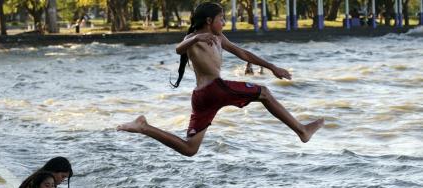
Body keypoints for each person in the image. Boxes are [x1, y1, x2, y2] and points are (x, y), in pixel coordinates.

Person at [117, 2, 324, 157]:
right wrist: (196, 38)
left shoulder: (219, 38)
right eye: (221, 19)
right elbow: (178, 48)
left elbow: (243, 53)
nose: (224, 23)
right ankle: (302, 131)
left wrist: (271, 67)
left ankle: (144, 127)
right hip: (215, 89)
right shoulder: (194, 38)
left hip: (202, 97)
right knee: (264, 93)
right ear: (209, 21)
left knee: (190, 149)